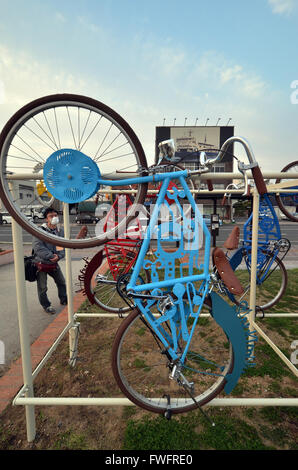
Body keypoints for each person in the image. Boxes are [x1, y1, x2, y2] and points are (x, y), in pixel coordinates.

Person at [32, 207, 67, 314]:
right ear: (46, 219)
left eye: (55, 215)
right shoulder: (40, 231)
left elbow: (62, 245)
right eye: (51, 216)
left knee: (61, 282)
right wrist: (51, 256)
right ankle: (46, 305)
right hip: (41, 264)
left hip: (54, 263)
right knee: (42, 287)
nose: (54, 218)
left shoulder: (59, 231)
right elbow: (38, 247)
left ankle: (64, 299)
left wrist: (59, 256)